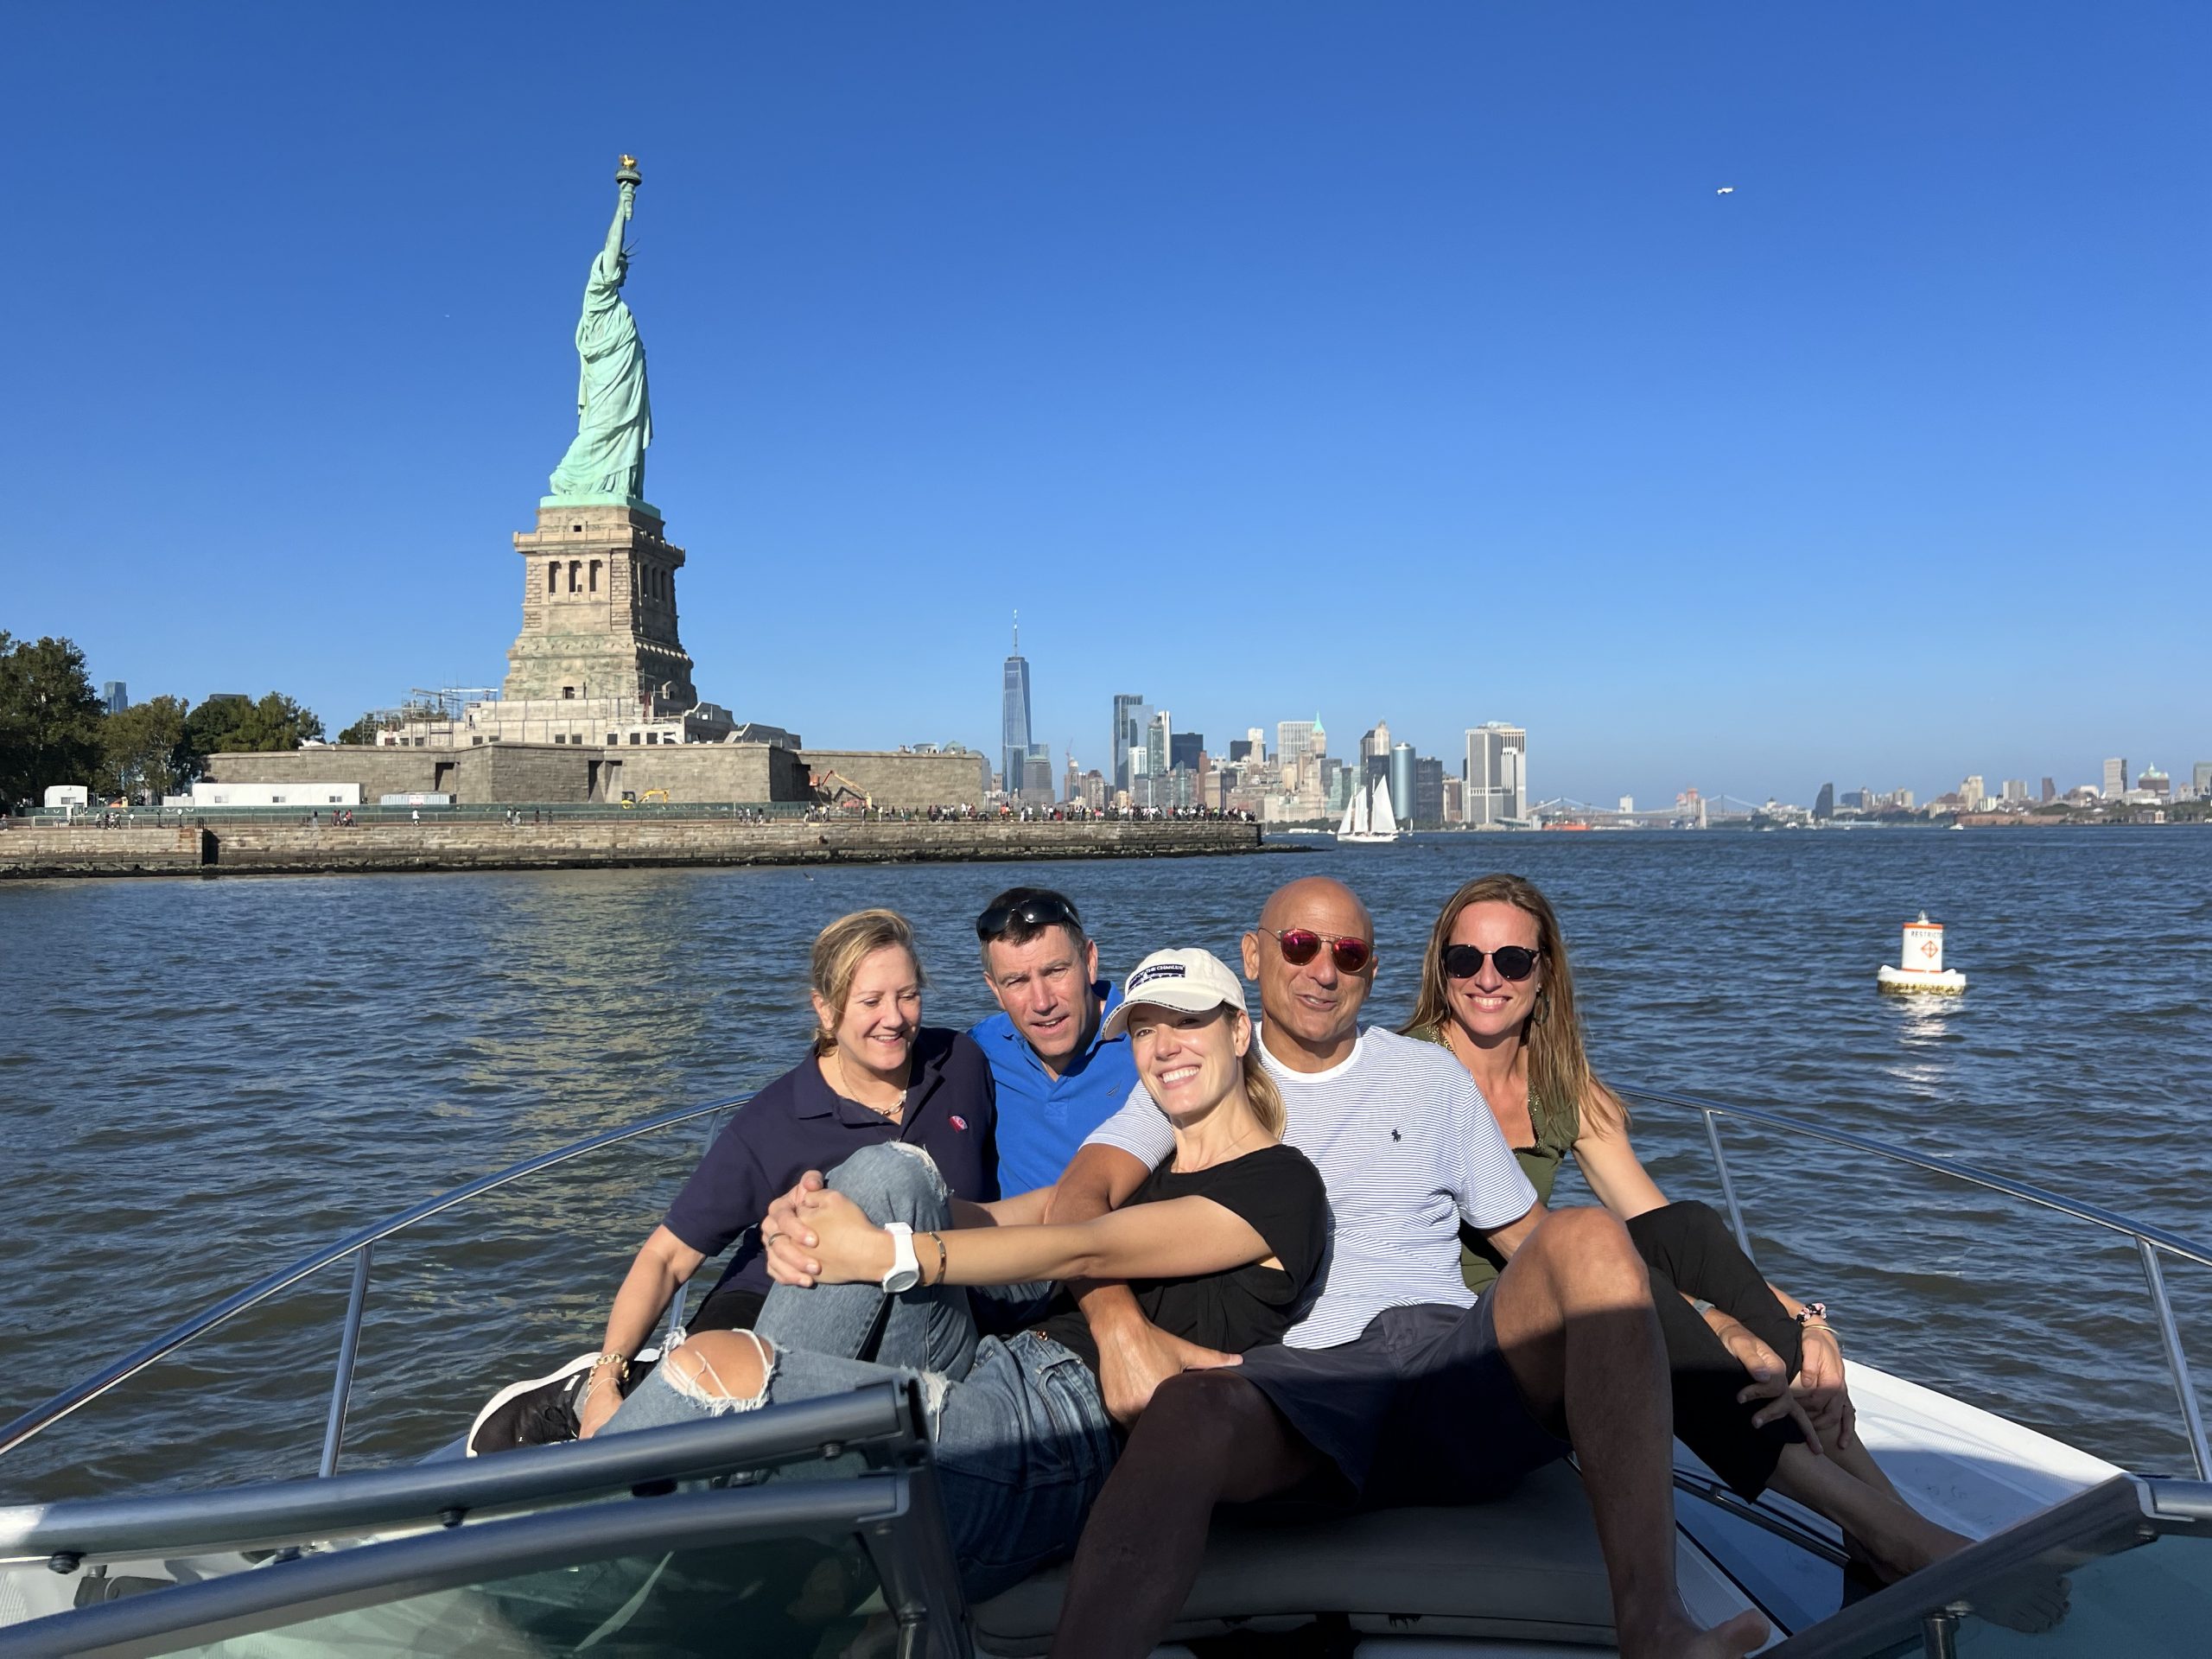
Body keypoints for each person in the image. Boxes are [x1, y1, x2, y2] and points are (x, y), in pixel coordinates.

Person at [1040, 876, 1769, 1659]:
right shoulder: (1206, 1074)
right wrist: (1119, 1328)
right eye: (1300, 946)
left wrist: (1709, 1318)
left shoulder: (1430, 1078)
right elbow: (1079, 1201)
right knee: (1188, 1412)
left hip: (1444, 1365)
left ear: (1374, 970)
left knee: (1587, 1231)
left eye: (1349, 954)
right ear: (1253, 956)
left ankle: (1655, 1626)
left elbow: (1535, 1240)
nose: (1324, 971)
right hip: (1296, 1387)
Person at [601, 948, 1328, 1601]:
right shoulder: (1148, 1168)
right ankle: (714, 1482)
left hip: (1050, 1440)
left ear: (1239, 1032)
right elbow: (999, 1217)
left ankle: (577, 1545)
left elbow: (1085, 1249)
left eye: (1188, 1023)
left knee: (716, 1369)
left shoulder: (1281, 1185)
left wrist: (889, 1254)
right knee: (892, 1168)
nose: (1164, 1047)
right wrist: (821, 1214)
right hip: (992, 1363)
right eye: (1144, 1031)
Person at [1408, 872, 1971, 1581]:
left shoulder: (1561, 1085)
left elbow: (1658, 1223)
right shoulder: (1414, 1076)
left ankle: (1885, 1516)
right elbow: (1544, 1248)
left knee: (1690, 1229)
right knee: (1623, 1278)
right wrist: (1712, 1322)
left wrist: (1809, 1322)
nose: (1488, 978)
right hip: (1462, 1357)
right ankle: (1887, 1531)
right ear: (1441, 968)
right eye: (1466, 959)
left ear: (1544, 973)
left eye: (1512, 960)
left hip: (1544, 1331)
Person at [466, 909, 997, 1451]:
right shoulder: (776, 1119)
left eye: (907, 996)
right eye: (870, 1001)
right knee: (714, 1436)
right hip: (772, 1303)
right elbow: (668, 1256)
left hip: (915, 1301)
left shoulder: (961, 1065)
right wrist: (607, 1376)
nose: (894, 1018)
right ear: (825, 1009)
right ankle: (600, 1398)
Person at [968, 888, 1135, 1197]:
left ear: (1090, 961)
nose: (1042, 1002)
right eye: (1016, 981)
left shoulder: (1147, 1042)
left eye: (1056, 971)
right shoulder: (978, 1051)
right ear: (995, 989)